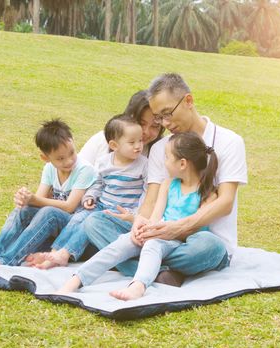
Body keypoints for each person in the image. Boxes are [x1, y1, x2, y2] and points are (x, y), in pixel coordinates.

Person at [83, 73, 248, 286]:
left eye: (167, 114)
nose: (165, 123)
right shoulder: (161, 149)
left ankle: (137, 264)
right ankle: (161, 273)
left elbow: (225, 203)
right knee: (95, 223)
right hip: (159, 237)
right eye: (159, 118)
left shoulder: (230, 142)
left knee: (209, 246)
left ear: (188, 101)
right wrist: (140, 227)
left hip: (199, 240)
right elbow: (151, 200)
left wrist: (178, 228)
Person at [55, 132, 218, 300]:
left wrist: (160, 233)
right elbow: (155, 217)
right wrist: (141, 227)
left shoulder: (208, 194)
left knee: (154, 245)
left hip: (178, 242)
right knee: (121, 244)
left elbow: (195, 227)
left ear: (182, 163)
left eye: (167, 157)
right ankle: (76, 280)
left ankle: (138, 285)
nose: (165, 162)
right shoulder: (168, 184)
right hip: (156, 234)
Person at [28, 114, 148, 269]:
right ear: (114, 145)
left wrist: (136, 213)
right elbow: (98, 183)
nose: (138, 146)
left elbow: (146, 192)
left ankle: (65, 254)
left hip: (122, 211)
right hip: (101, 205)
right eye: (132, 142)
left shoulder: (144, 165)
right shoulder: (104, 162)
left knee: (89, 223)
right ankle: (55, 251)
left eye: (140, 140)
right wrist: (90, 197)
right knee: (80, 217)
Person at [0, 119, 96, 266]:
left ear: (73, 142)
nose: (69, 161)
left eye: (72, 153)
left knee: (49, 212)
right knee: (23, 210)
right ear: (45, 158)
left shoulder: (84, 169)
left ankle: (6, 261)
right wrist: (26, 199)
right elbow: (39, 200)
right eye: (61, 158)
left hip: (74, 227)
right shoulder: (50, 169)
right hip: (56, 223)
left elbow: (70, 207)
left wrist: (34, 199)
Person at [78, 90, 164, 166]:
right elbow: (77, 172)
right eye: (141, 123)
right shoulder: (101, 140)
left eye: (155, 126)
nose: (146, 132)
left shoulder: (162, 152)